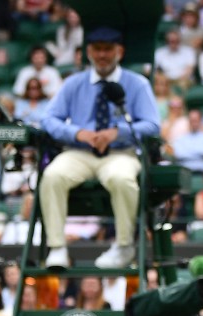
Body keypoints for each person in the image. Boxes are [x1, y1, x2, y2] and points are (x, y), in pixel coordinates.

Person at [39, 26, 160, 270]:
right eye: (97, 49)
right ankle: (57, 248)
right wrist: (76, 132)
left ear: (120, 51)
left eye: (108, 49)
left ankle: (124, 246)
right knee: (52, 175)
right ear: (89, 52)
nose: (102, 55)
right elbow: (48, 119)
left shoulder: (136, 84)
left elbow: (153, 126)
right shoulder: (74, 83)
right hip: (79, 151)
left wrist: (118, 133)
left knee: (122, 178)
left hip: (120, 152)